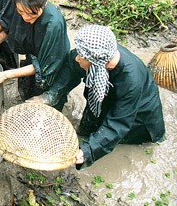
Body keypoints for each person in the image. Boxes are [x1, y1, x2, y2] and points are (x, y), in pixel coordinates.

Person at [45, 25, 166, 169]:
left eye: (81, 56)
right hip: (107, 102)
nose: (77, 58)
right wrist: (50, 95)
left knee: (110, 139)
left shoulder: (131, 81)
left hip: (138, 120)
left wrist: (88, 151)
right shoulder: (98, 53)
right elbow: (72, 65)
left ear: (97, 63)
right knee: (88, 129)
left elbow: (118, 123)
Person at [0, 0, 70, 103]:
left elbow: (44, 66)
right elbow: (4, 19)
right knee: (26, 92)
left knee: (46, 99)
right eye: (21, 12)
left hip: (52, 65)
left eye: (32, 14)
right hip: (32, 55)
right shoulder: (19, 0)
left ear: (43, 4)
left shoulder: (53, 25)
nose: (25, 18)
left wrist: (7, 74)